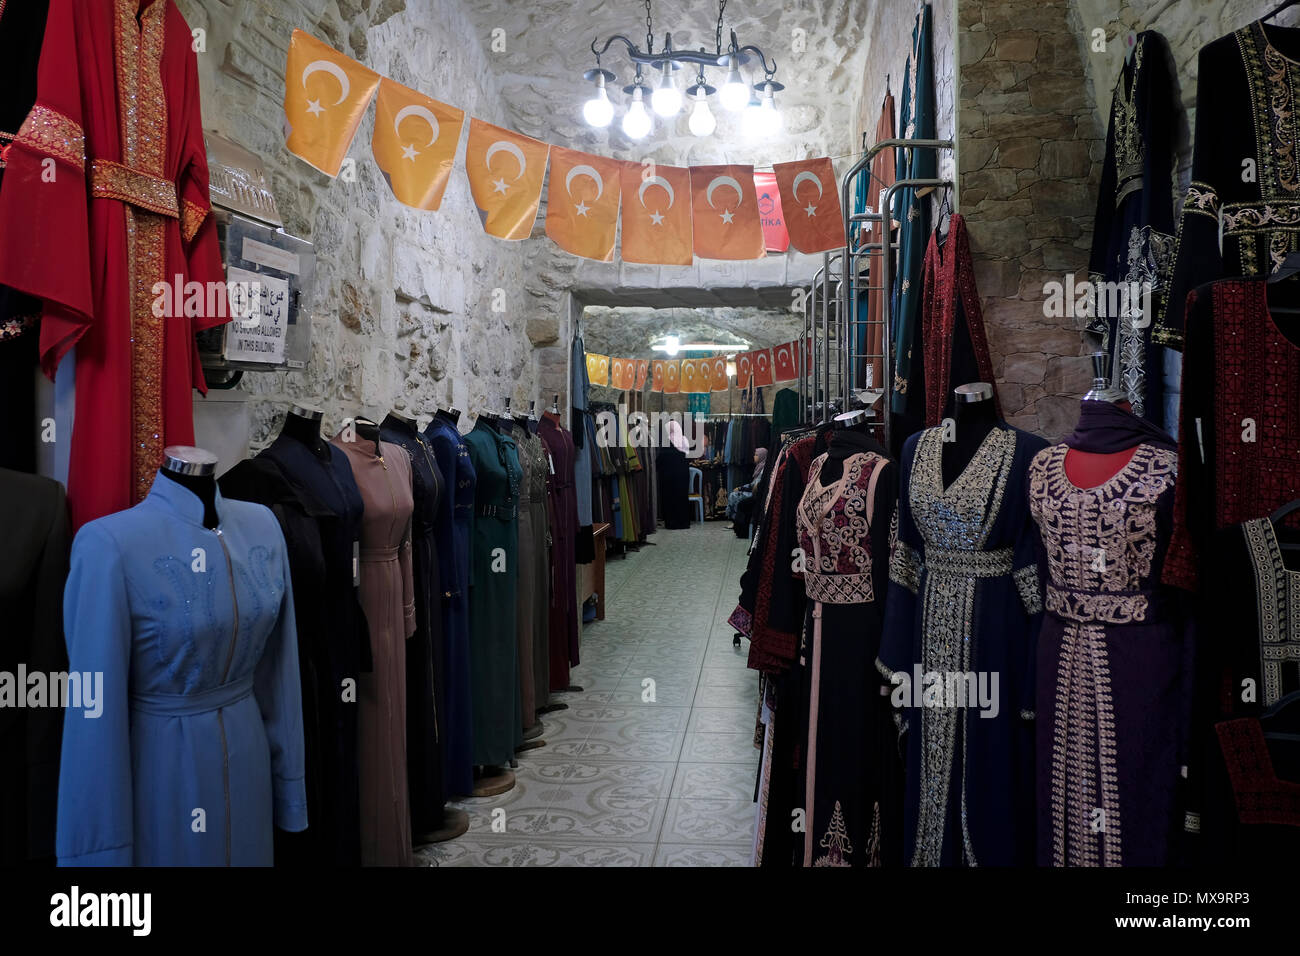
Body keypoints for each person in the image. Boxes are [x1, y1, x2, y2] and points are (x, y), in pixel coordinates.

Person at [656, 419, 692, 530]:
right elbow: (688, 458)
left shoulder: (666, 442)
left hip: (669, 478)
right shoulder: (684, 441)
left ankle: (672, 523)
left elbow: (660, 461)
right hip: (683, 476)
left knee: (670, 499)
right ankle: (684, 523)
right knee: (682, 498)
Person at [726, 448, 767, 534]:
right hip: (753, 492)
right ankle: (735, 522)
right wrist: (741, 487)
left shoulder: (763, 469)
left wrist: (741, 488)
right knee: (734, 494)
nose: (754, 457)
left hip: (755, 495)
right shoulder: (759, 467)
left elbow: (755, 486)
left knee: (735, 496)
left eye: (756, 455)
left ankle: (736, 522)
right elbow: (753, 484)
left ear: (762, 456)